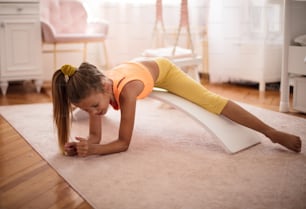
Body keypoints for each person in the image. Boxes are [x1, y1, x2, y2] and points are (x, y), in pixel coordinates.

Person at [52, 57, 302, 157]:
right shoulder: (95, 92)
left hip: (164, 71)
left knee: (210, 101)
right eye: (88, 111)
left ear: (106, 87)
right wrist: (85, 144)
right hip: (134, 69)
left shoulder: (126, 92)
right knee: (97, 108)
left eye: (94, 107)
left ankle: (272, 132)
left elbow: (123, 143)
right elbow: (95, 136)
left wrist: (94, 152)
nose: (95, 113)